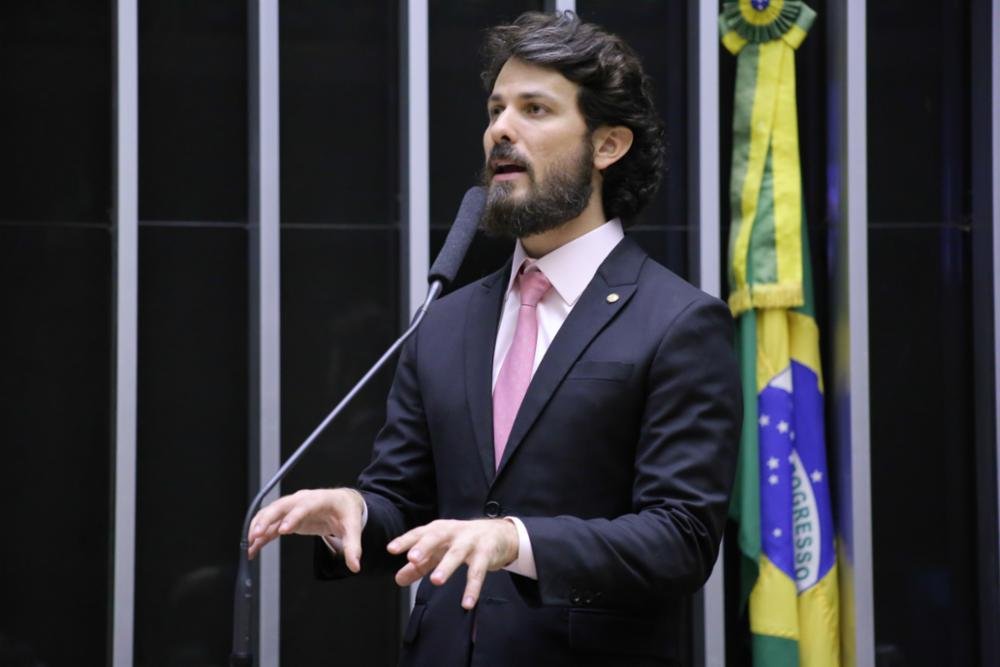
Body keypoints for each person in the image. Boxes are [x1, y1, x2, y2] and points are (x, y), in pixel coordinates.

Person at [247, 11, 741, 667]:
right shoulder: (445, 321)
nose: (500, 129)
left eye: (535, 109)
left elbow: (679, 538)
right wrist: (359, 510)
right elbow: (406, 500)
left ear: (607, 146)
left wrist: (516, 540)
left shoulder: (678, 322)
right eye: (496, 109)